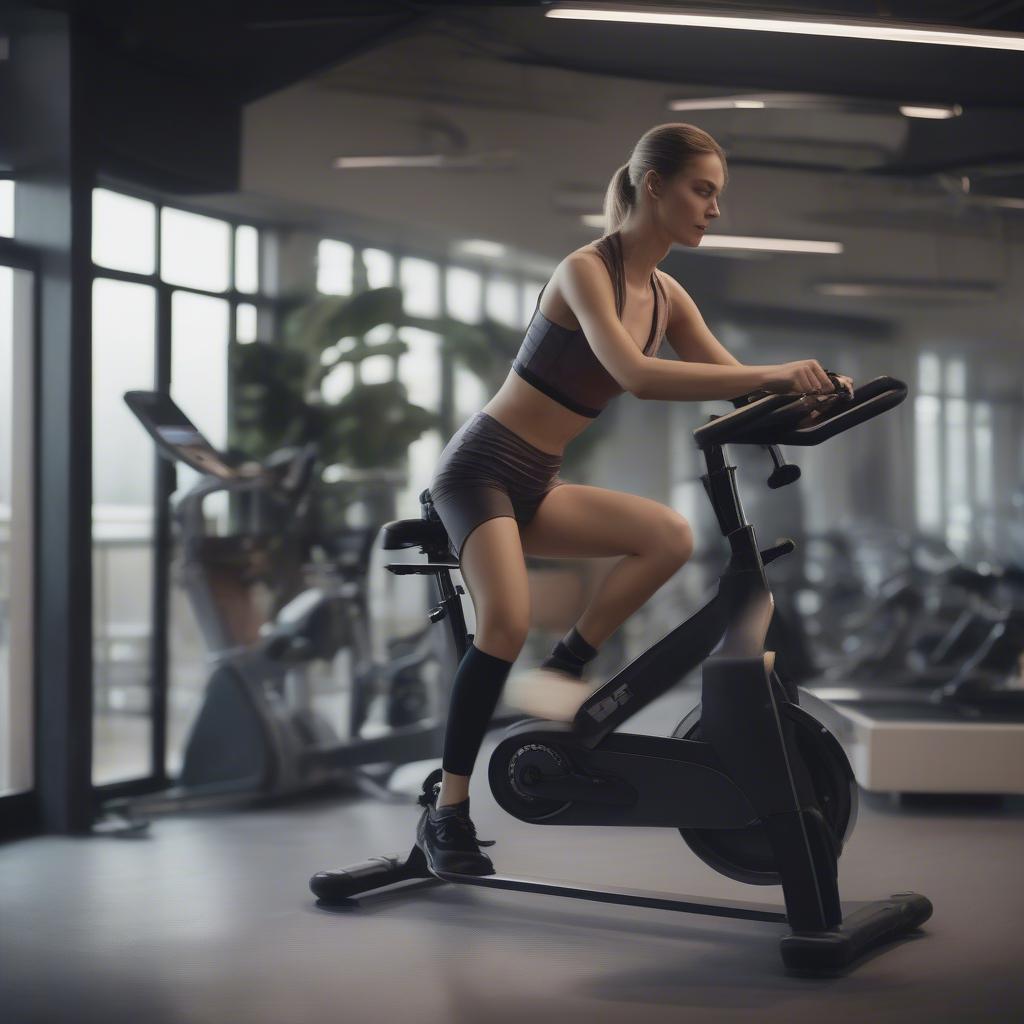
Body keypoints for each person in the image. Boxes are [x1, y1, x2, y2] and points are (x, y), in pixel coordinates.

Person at [416, 122, 852, 876]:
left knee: (669, 537)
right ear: (654, 185)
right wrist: (776, 374)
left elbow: (736, 381)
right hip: (480, 467)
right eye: (703, 190)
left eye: (717, 195)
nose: (714, 209)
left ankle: (567, 667)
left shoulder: (669, 294)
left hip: (537, 479)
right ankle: (446, 810)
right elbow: (638, 375)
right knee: (505, 620)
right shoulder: (587, 270)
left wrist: (811, 398)